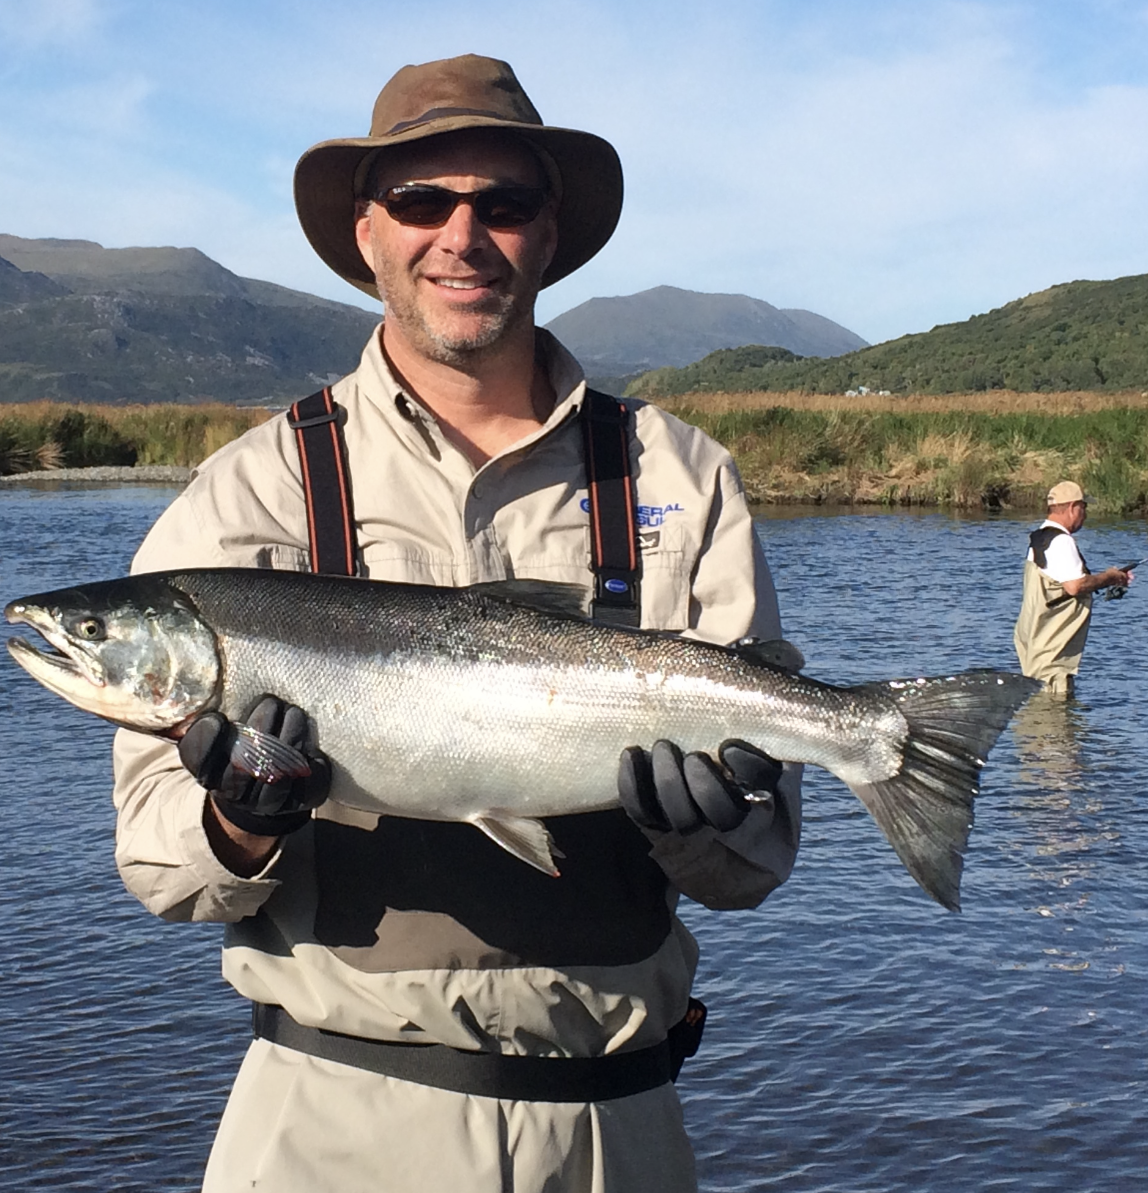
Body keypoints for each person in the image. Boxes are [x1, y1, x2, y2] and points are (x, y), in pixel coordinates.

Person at [112, 54, 801, 1193]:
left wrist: (708, 821)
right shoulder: (244, 496)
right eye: (422, 202)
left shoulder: (678, 472)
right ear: (368, 231)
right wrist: (236, 826)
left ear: (549, 229)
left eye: (503, 203)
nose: (461, 236)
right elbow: (160, 869)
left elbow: (750, 869)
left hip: (616, 1128)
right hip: (327, 1124)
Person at [1013, 480, 1131, 695]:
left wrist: (1109, 578)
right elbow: (1075, 586)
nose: (1085, 514)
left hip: (1037, 644)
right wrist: (1109, 577)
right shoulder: (1061, 542)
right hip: (1052, 652)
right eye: (1083, 508)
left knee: (1036, 718)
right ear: (1072, 507)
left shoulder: (1040, 538)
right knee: (1055, 718)